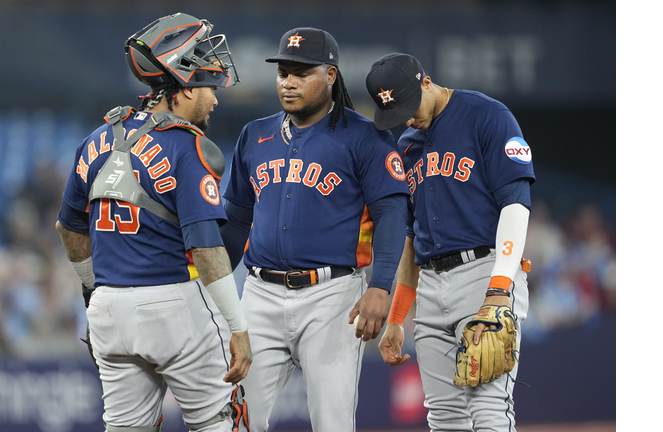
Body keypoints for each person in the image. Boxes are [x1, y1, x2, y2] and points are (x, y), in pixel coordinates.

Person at [55, 12, 252, 432]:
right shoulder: (188, 146)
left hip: (107, 311)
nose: (215, 99)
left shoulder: (97, 138)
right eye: (207, 88)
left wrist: (92, 292)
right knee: (221, 422)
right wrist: (238, 327)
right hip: (171, 306)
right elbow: (206, 248)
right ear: (180, 91)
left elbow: (68, 230)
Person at [219, 28, 411, 432]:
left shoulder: (366, 137)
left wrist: (381, 285)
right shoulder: (254, 135)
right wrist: (208, 286)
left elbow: (392, 214)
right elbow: (236, 221)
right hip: (259, 294)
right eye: (283, 72)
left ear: (331, 75)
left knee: (332, 422)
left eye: (301, 72)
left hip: (333, 297)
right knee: (237, 421)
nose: (288, 82)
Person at [365, 53, 535, 431]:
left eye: (410, 106)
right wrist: (396, 317)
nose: (408, 118)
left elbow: (516, 205)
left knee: (489, 409)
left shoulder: (486, 115)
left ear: (427, 82)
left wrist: (499, 288)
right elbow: (413, 233)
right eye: (397, 113)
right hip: (430, 287)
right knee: (444, 419)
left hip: (484, 274)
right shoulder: (408, 144)